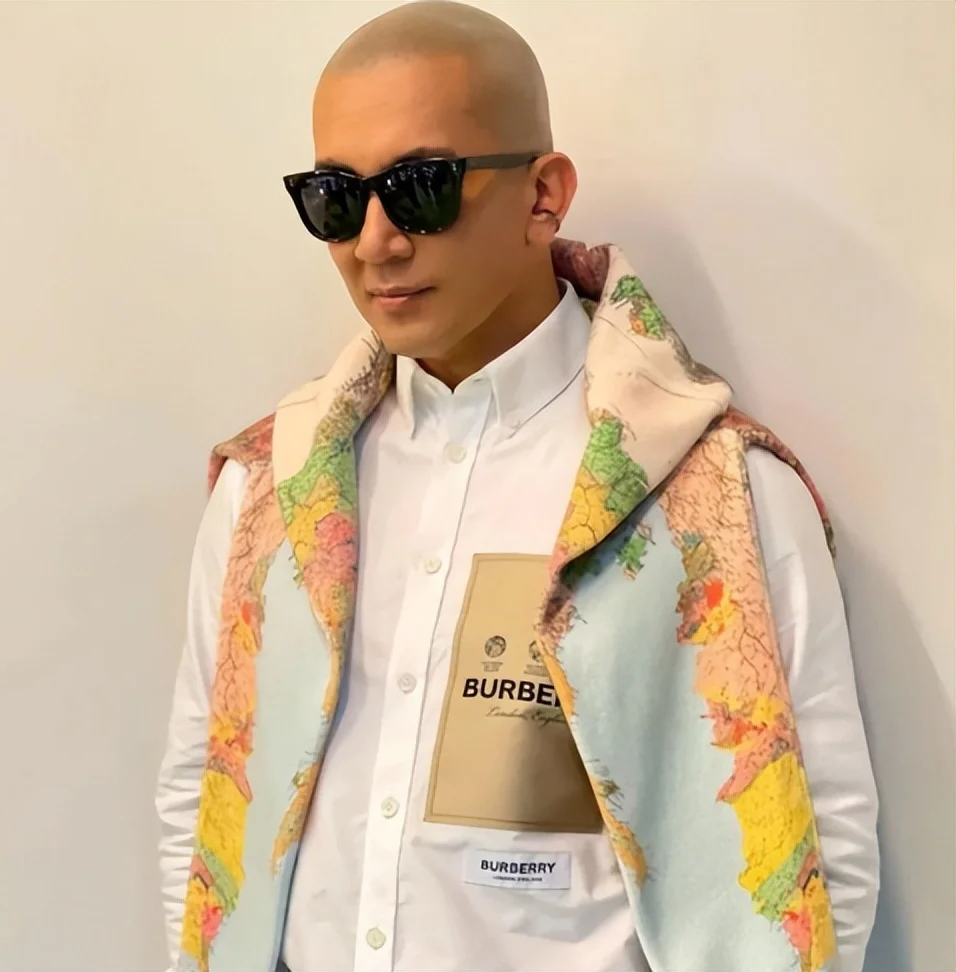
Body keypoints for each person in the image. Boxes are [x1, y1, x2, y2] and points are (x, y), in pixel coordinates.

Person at [155, 3, 880, 971]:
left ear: (544, 195)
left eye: (419, 188)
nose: (374, 242)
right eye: (335, 198)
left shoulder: (719, 496)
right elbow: (204, 797)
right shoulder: (267, 494)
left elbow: (819, 858)